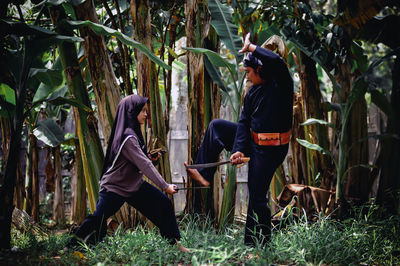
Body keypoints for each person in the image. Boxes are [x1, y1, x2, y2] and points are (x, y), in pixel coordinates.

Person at [186, 33, 293, 246]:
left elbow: (277, 62)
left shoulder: (282, 84)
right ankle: (203, 173)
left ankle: (259, 244)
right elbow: (244, 124)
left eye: (249, 73)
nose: (248, 77)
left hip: (271, 150)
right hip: (254, 143)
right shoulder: (252, 93)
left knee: (256, 197)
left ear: (260, 69)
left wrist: (251, 47)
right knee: (217, 126)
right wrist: (238, 151)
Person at [67, 95, 189, 252]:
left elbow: (139, 160)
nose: (146, 114)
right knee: (99, 219)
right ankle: (72, 246)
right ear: (132, 111)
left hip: (133, 186)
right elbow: (144, 165)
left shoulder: (131, 133)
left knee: (163, 204)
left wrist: (151, 158)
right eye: (143, 111)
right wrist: (165, 186)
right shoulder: (128, 137)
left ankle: (175, 245)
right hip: (115, 187)